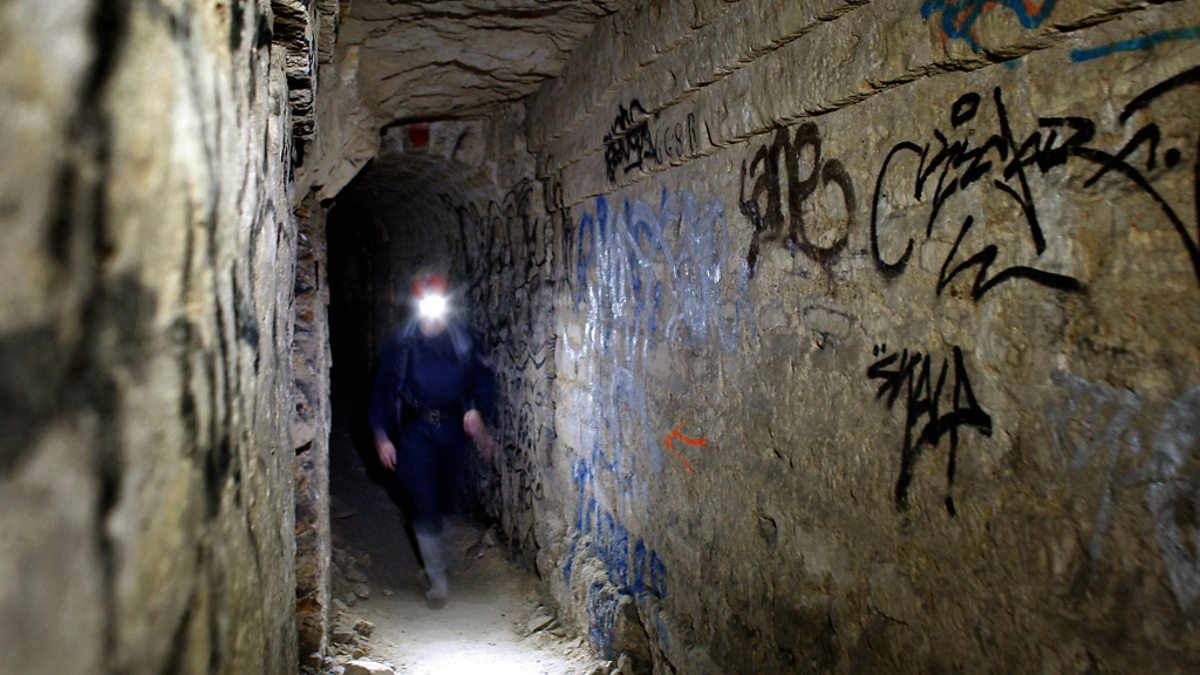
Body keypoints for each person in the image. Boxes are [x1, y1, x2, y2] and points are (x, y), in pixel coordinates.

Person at [367, 270, 496, 607]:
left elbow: (482, 380)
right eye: (426, 304)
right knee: (422, 498)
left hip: (453, 429)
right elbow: (381, 391)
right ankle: (437, 579)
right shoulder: (400, 344)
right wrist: (382, 436)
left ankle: (433, 559)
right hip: (415, 431)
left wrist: (478, 411)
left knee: (445, 497)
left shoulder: (463, 339)